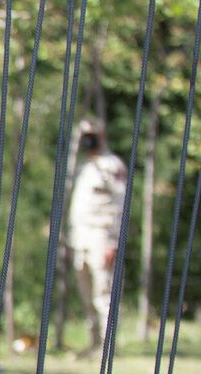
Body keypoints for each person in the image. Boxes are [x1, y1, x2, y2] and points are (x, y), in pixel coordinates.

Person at [66, 118, 129, 356]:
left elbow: (120, 205)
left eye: (91, 134)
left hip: (101, 236)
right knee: (87, 294)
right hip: (80, 238)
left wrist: (113, 241)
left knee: (104, 292)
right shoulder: (84, 166)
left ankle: (107, 345)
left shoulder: (111, 165)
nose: (87, 140)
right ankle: (94, 342)